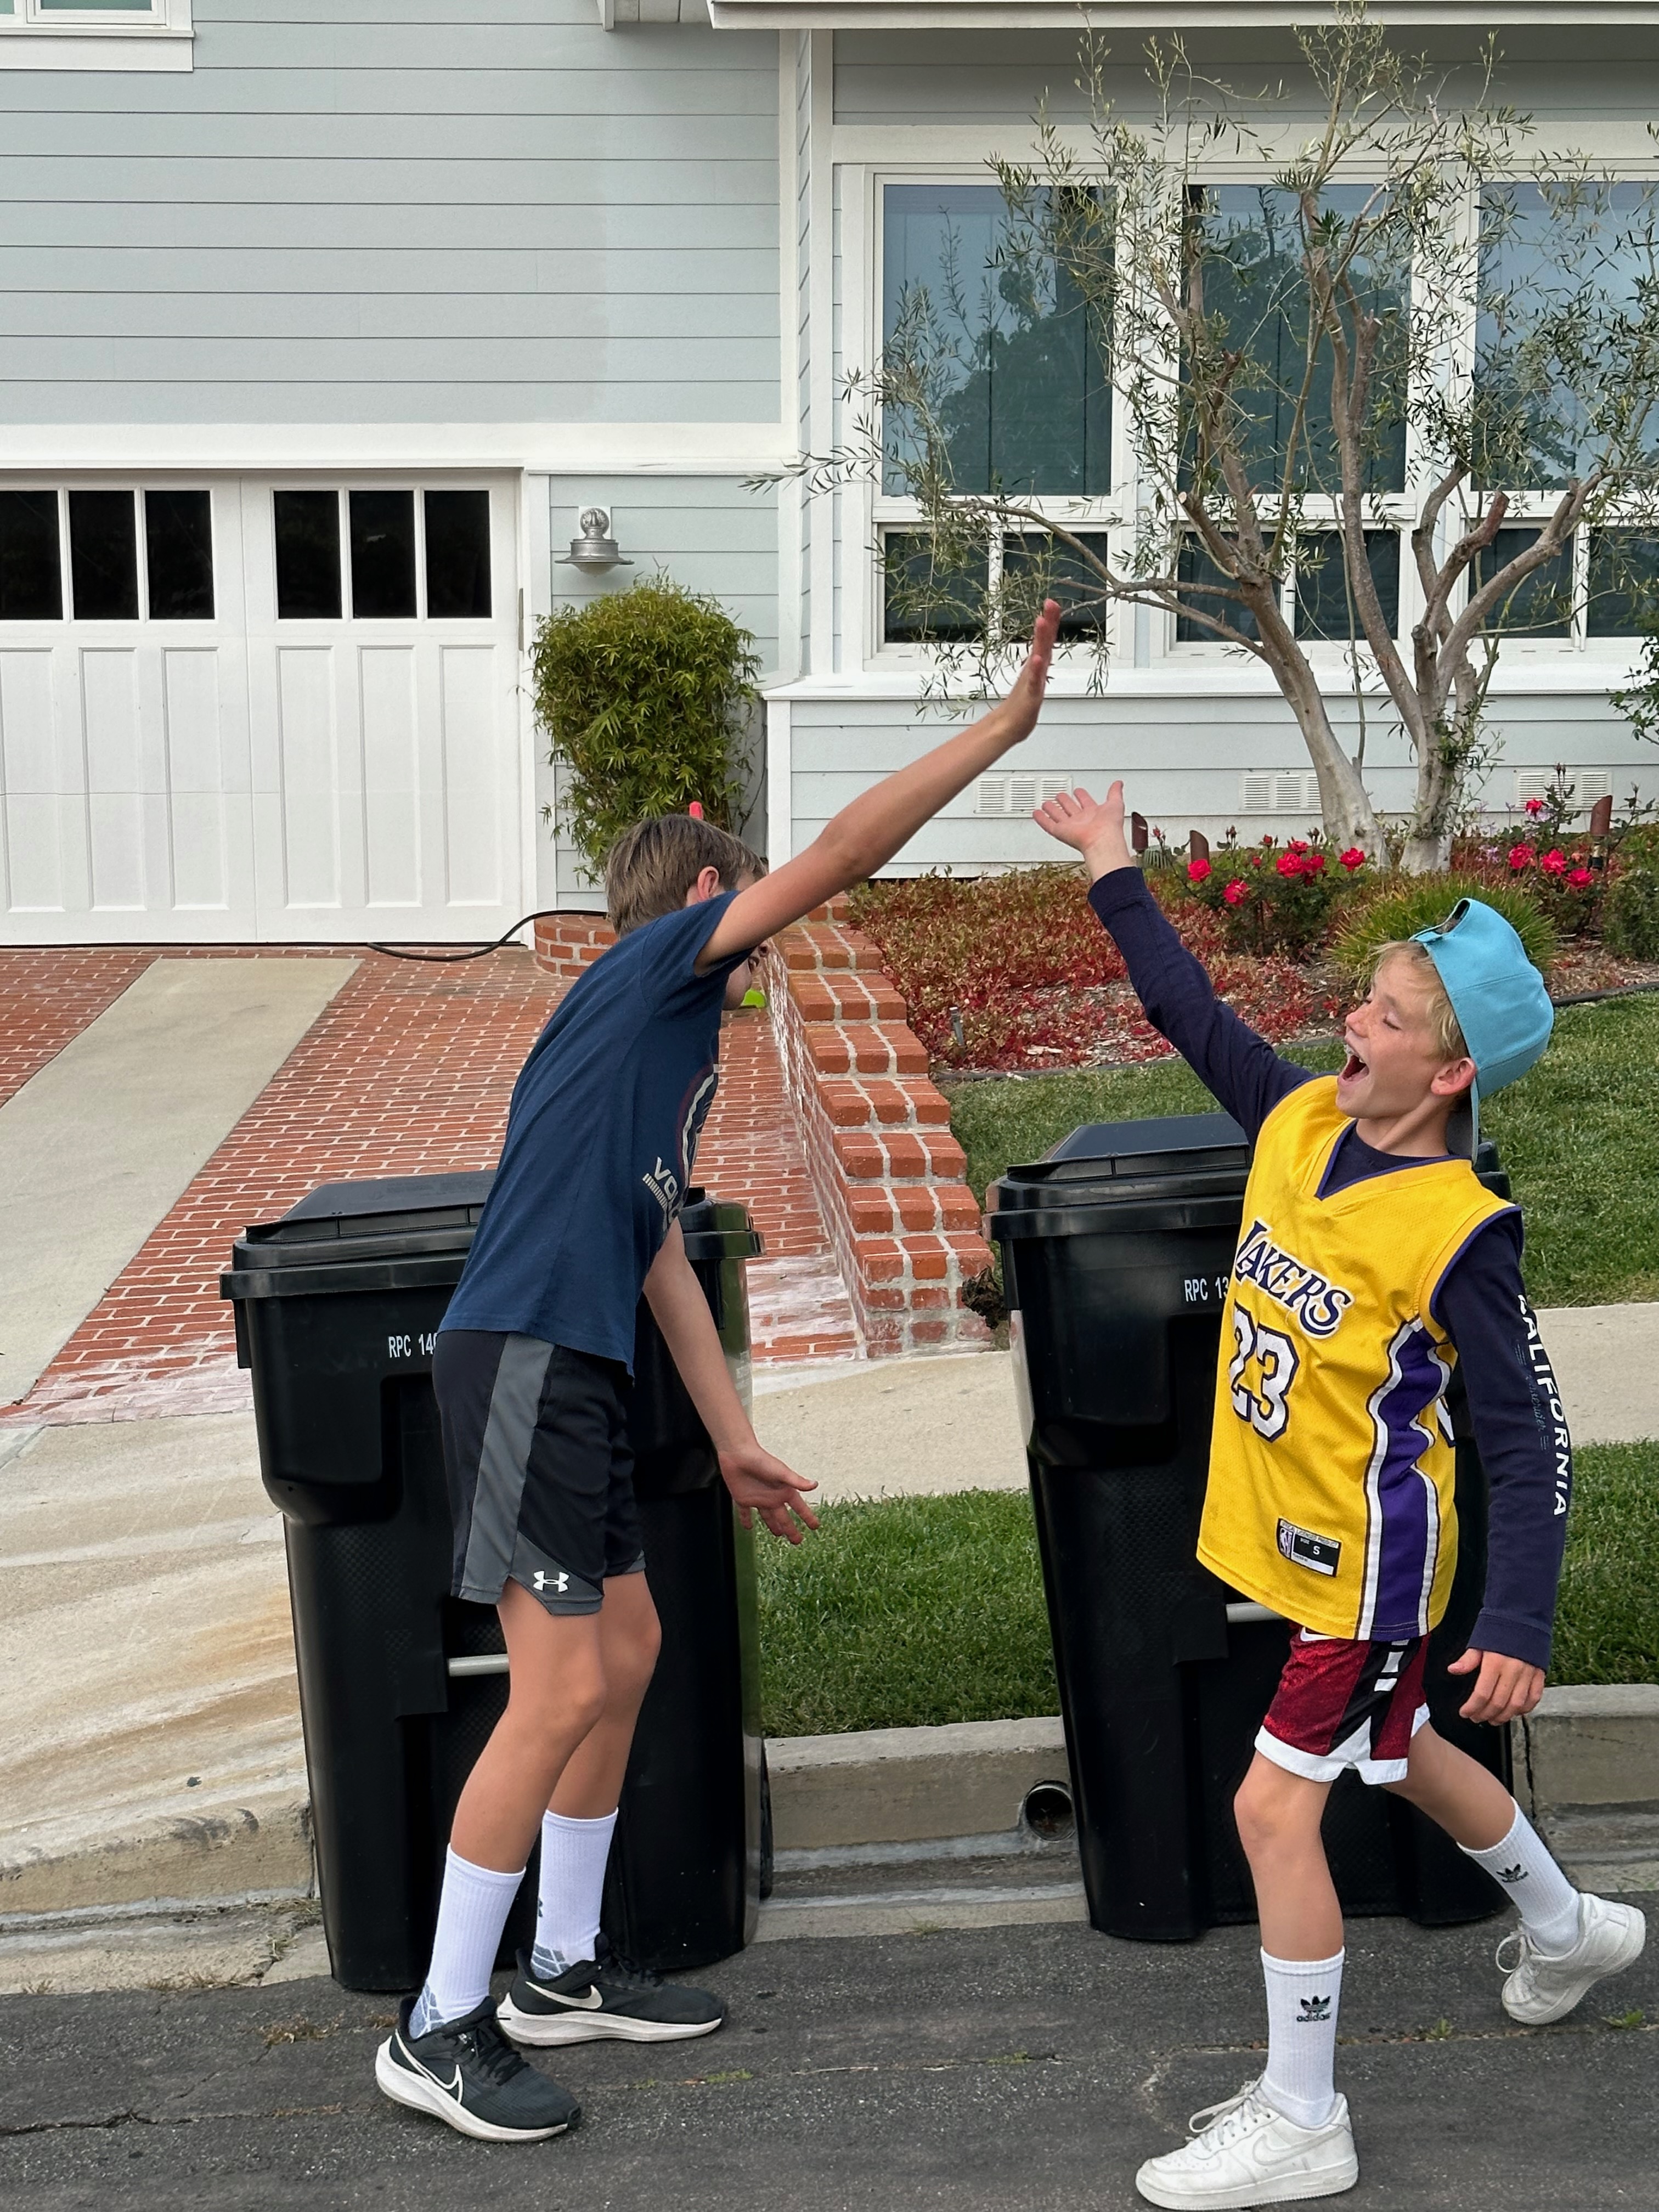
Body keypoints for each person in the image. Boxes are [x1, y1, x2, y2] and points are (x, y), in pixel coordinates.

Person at [374, 600, 1064, 2144]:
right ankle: (437, 2024)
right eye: (742, 890)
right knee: (555, 1684)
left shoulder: (653, 1050)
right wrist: (999, 733)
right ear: (702, 895)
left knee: (627, 1650)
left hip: (583, 1359)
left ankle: (559, 1967)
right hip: (525, 1364)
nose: (762, 911)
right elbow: (848, 855)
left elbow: (659, 1250)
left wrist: (737, 1437)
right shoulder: (655, 968)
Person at [1033, 782, 1646, 2210]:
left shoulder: (1456, 1233)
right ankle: (1567, 1927)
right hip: (1302, 1542)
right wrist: (1117, 865)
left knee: (1270, 1807)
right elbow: (1197, 1019)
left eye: (1382, 1014)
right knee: (1393, 1746)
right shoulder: (1302, 1123)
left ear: (1448, 1074)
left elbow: (1531, 1437)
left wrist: (1522, 1616)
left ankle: (1306, 2119)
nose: (1348, 1024)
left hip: (1369, 1564)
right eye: (1362, 999)